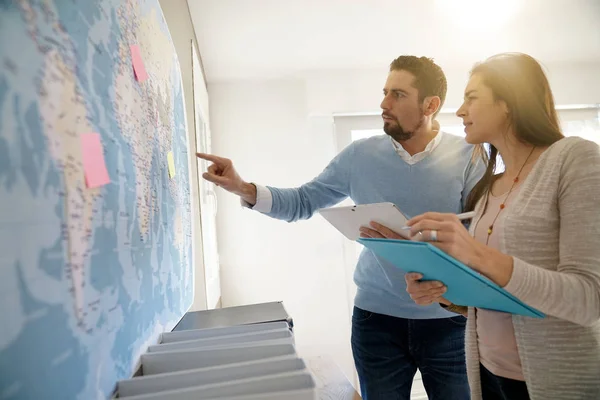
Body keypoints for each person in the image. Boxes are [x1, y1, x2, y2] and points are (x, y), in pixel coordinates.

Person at [197, 55, 485, 400]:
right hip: (376, 321)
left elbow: (483, 234)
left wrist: (427, 250)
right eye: (384, 92)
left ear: (431, 104)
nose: (384, 103)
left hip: (450, 322)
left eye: (398, 94)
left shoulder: (470, 155)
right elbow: (302, 202)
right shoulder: (358, 156)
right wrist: (242, 187)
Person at [400, 53, 600, 400]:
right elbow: (499, 295)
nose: (460, 111)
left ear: (509, 101)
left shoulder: (575, 159)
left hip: (555, 383)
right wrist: (445, 293)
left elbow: (589, 299)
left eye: (472, 98)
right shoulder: (491, 186)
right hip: (488, 373)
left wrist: (475, 252)